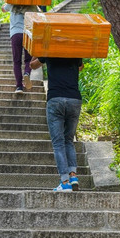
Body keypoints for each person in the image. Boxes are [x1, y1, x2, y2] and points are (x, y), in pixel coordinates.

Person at [30, 56, 84, 192]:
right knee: (69, 140)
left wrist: (36, 52)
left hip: (56, 99)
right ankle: (73, 176)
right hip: (74, 99)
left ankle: (65, 182)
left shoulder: (49, 51)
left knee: (58, 143)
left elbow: (33, 65)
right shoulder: (75, 51)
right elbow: (80, 67)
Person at [2, 3, 39, 93]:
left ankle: (19, 86)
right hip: (28, 34)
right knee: (28, 59)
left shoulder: (11, 4)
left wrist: (7, 1)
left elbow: (3, 9)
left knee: (17, 61)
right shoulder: (32, 5)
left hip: (15, 34)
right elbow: (39, 16)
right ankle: (27, 73)